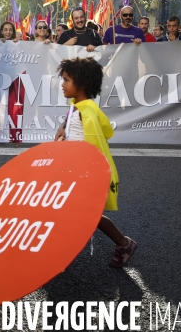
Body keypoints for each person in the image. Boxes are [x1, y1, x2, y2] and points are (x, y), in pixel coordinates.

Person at [54, 56, 137, 268]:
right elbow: (72, 117)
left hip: (81, 173)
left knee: (86, 215)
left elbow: (94, 146)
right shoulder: (78, 106)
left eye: (66, 80)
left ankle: (123, 243)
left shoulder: (86, 112)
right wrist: (63, 127)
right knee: (78, 213)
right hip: (74, 171)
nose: (62, 85)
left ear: (80, 85)